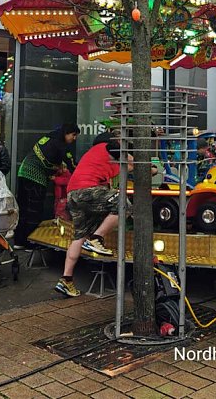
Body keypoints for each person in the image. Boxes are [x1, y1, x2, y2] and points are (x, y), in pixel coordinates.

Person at [55, 134, 136, 297]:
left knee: (79, 236)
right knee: (124, 205)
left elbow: (127, 167)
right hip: (87, 190)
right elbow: (132, 162)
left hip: (74, 194)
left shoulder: (94, 157)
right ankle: (96, 239)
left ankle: (66, 280)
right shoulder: (106, 147)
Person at [14, 123, 79, 248]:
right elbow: (72, 165)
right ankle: (31, 241)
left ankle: (19, 240)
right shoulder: (60, 144)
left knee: (23, 208)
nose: (74, 139)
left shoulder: (48, 138)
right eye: (73, 135)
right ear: (66, 133)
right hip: (35, 177)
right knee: (34, 209)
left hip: (23, 172)